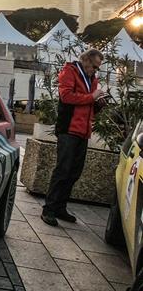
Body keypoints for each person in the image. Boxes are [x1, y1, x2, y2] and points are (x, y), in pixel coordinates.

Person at [41, 48, 107, 226]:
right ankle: (49, 209)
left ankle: (60, 207)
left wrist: (98, 103)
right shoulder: (69, 71)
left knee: (74, 172)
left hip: (83, 131)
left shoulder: (92, 78)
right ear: (85, 60)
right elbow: (67, 96)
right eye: (94, 66)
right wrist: (91, 96)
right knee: (63, 170)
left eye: (98, 67)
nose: (95, 70)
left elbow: (88, 103)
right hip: (68, 129)